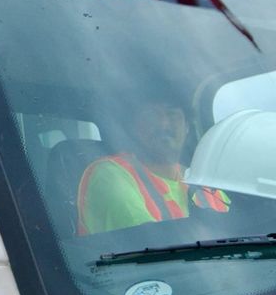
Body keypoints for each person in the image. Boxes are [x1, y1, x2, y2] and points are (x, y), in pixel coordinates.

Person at [77, 96, 230, 235]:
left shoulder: (205, 184)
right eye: (151, 116)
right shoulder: (109, 175)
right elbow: (148, 242)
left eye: (172, 114)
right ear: (135, 128)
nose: (163, 124)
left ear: (187, 127)